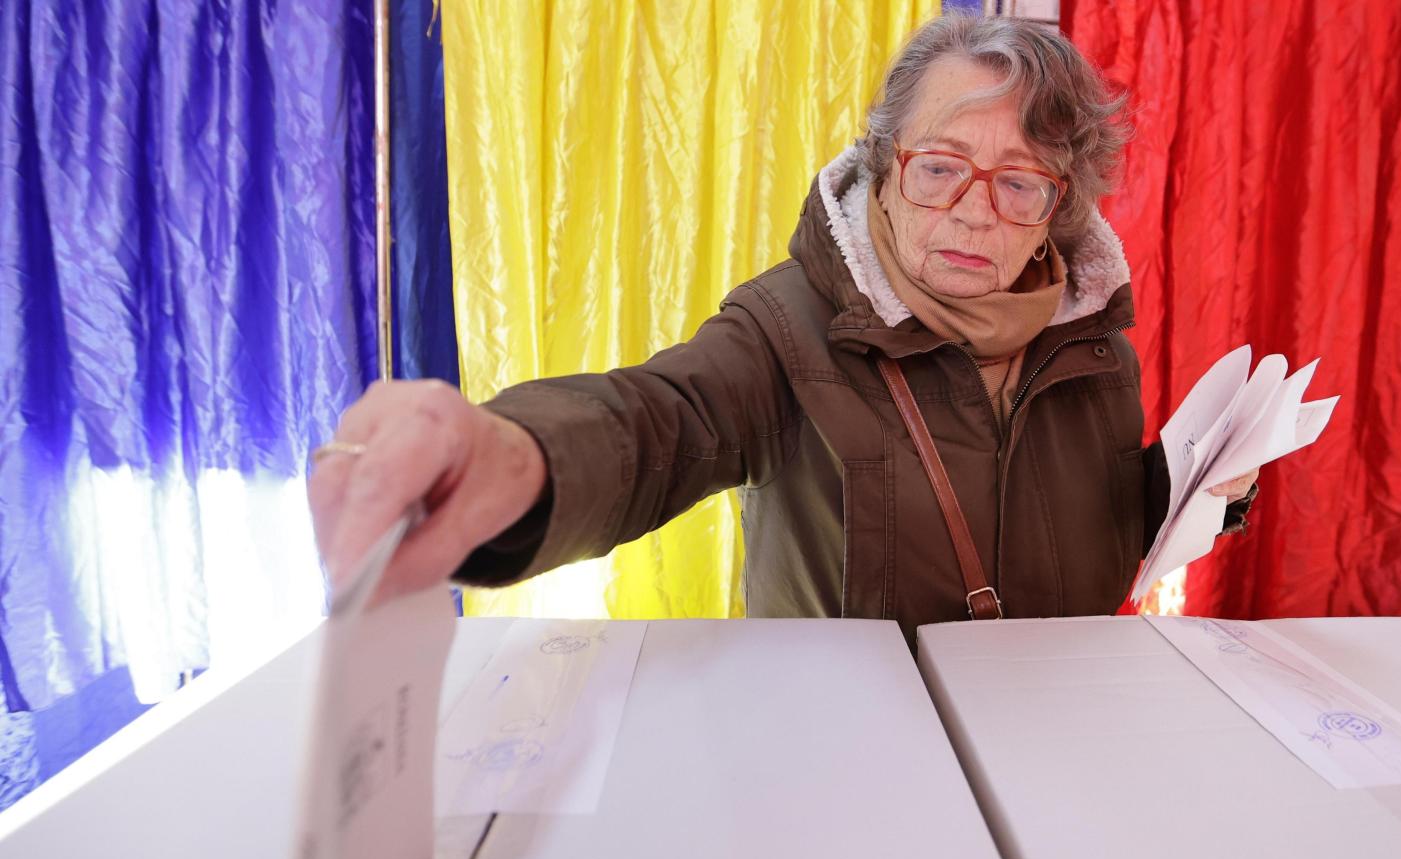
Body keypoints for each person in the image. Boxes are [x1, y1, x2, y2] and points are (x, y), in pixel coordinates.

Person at [308, 15, 1257, 639]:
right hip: (845, 764)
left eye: (1018, 182)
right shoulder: (790, 325)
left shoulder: (1093, 345)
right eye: (939, 166)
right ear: (886, 165)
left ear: (1062, 207)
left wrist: (1200, 491)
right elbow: (660, 421)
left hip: (1050, 757)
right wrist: (521, 456)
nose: (974, 210)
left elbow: (1085, 528)